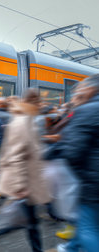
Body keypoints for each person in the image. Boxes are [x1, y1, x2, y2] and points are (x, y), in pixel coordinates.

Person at [0, 89, 50, 252]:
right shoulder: (22, 122)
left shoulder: (27, 120)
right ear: (33, 102)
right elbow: (16, 156)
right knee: (29, 222)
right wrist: (20, 186)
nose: (41, 105)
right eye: (39, 102)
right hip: (25, 184)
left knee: (29, 222)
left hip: (29, 181)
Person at [45, 74, 99, 252]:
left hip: (92, 182)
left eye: (81, 88)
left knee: (88, 227)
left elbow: (73, 153)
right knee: (86, 222)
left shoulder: (87, 110)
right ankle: (70, 248)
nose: (77, 93)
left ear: (91, 89)